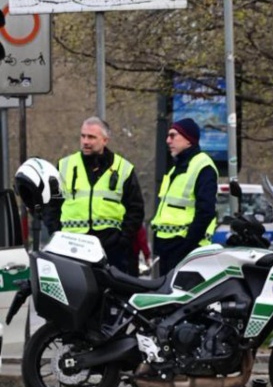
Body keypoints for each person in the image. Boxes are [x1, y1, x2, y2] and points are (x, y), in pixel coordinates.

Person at [45, 116, 145, 273]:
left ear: (105, 140)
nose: (85, 141)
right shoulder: (65, 165)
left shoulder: (123, 168)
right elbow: (51, 205)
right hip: (72, 246)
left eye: (91, 137)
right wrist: (56, 233)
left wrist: (123, 239)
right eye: (83, 136)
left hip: (110, 247)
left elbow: (136, 209)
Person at [151, 116, 218, 275]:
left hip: (186, 250)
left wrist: (187, 246)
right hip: (169, 248)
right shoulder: (176, 168)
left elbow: (206, 211)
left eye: (173, 135)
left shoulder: (203, 166)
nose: (168, 140)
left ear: (188, 139)